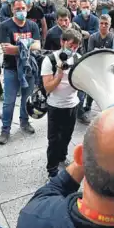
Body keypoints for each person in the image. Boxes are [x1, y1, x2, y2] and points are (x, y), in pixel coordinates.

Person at [0, 0, 42, 144]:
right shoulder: (5, 26)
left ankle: (24, 122)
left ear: (27, 8)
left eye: (23, 8)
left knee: (26, 98)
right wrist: (26, 46)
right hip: (11, 69)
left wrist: (18, 48)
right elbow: (6, 49)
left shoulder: (32, 25)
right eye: (17, 9)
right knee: (9, 101)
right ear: (12, 9)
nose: (21, 11)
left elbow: (38, 46)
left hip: (29, 68)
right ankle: (5, 129)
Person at [42, 29, 83, 178]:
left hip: (72, 105)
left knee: (66, 136)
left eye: (75, 47)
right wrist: (59, 73)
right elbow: (48, 87)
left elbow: (81, 84)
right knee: (53, 140)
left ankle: (62, 156)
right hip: (55, 105)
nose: (73, 50)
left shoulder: (78, 59)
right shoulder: (50, 60)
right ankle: (52, 169)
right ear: (62, 42)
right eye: (70, 45)